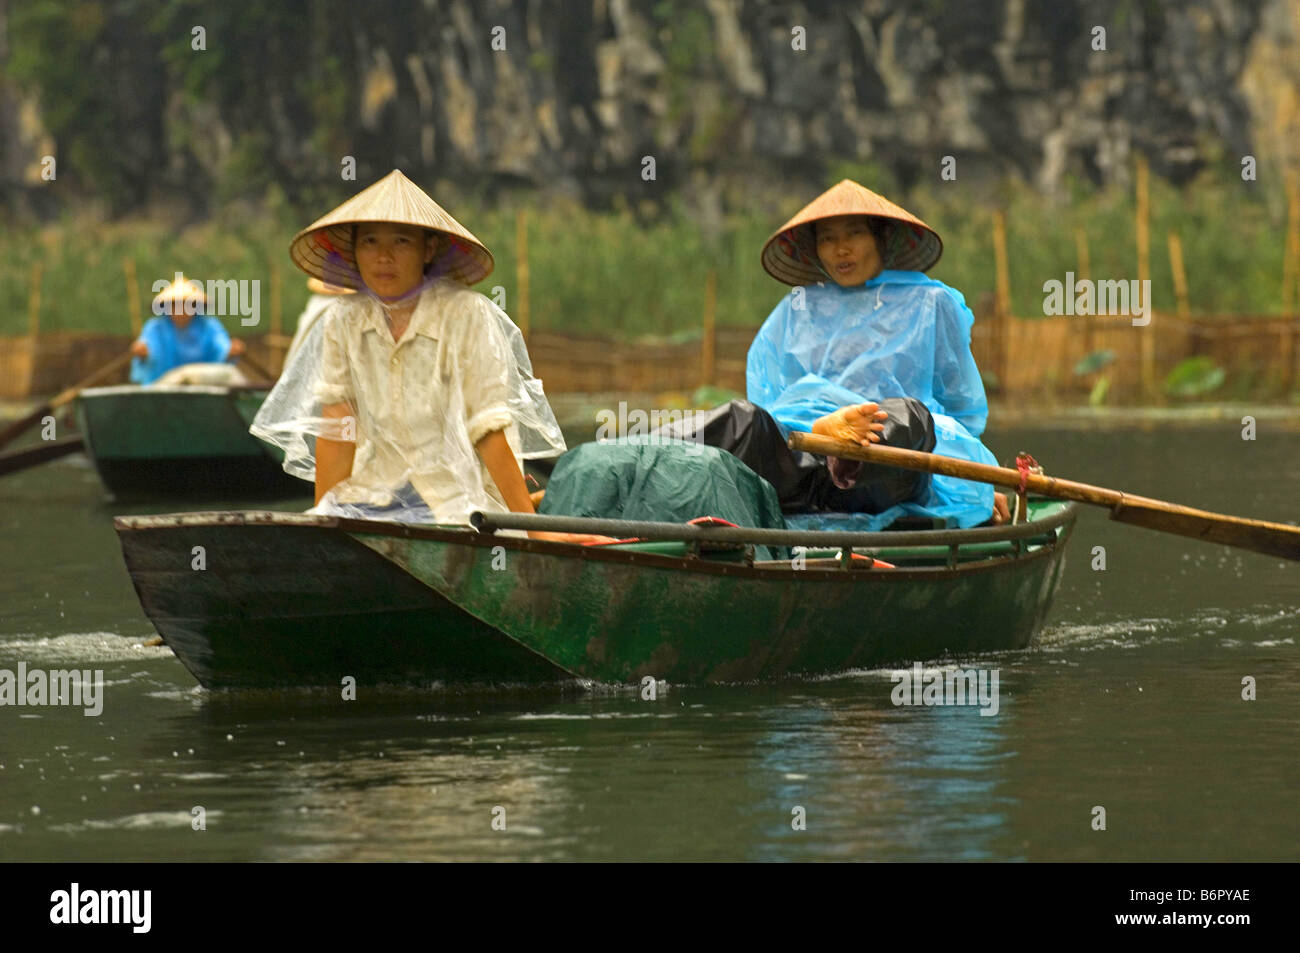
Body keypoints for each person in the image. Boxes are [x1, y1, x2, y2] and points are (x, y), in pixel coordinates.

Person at [251, 169, 611, 544]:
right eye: (370, 241)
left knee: (501, 528)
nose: (384, 256)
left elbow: (489, 429)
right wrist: (322, 521)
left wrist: (533, 530)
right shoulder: (344, 319)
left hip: (456, 501)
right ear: (354, 251)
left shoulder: (467, 315)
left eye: (401, 241)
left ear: (428, 249)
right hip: (374, 494)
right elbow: (339, 431)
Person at [662, 179, 1009, 529]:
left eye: (853, 233)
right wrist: (812, 434)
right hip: (800, 466)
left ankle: (843, 457)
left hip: (886, 476)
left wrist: (971, 484)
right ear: (815, 248)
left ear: (881, 237)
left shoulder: (930, 303)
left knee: (911, 417)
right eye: (827, 238)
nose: (841, 249)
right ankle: (636, 455)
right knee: (746, 420)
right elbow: (770, 400)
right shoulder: (798, 307)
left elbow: (961, 412)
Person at [129, 275, 246, 385]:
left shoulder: (209, 326)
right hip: (163, 386)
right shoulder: (155, 328)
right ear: (167, 307)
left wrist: (230, 351)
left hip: (204, 387)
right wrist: (143, 353)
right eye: (175, 305)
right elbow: (149, 350)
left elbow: (221, 347)